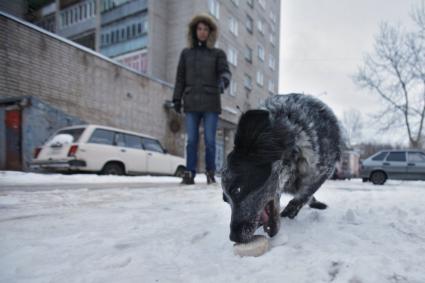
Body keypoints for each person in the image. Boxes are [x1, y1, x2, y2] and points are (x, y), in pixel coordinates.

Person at [172, 13, 231, 185]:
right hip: (191, 102)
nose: (202, 32)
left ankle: (210, 173)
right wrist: (177, 99)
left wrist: (223, 82)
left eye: (206, 29)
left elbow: (225, 72)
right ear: (194, 31)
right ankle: (189, 173)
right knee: (191, 140)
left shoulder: (217, 54)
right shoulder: (186, 54)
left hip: (211, 103)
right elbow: (180, 78)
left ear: (210, 32)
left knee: (210, 141)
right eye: (199, 28)